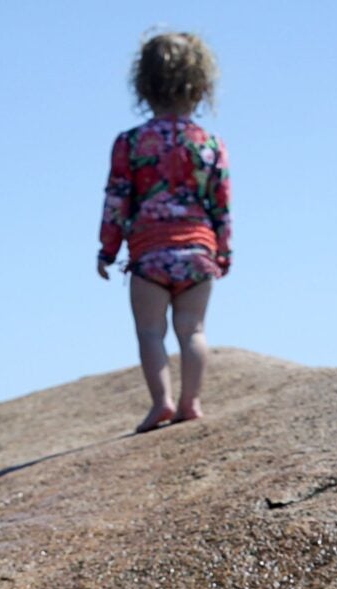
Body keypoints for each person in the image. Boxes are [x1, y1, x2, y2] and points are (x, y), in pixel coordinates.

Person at [97, 31, 231, 434]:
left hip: (149, 253)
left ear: (144, 84)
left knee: (151, 331)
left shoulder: (132, 142)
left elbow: (117, 199)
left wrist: (107, 250)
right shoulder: (209, 143)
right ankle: (192, 401)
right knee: (194, 330)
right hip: (197, 250)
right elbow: (220, 202)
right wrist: (223, 252)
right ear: (201, 85)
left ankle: (162, 402)